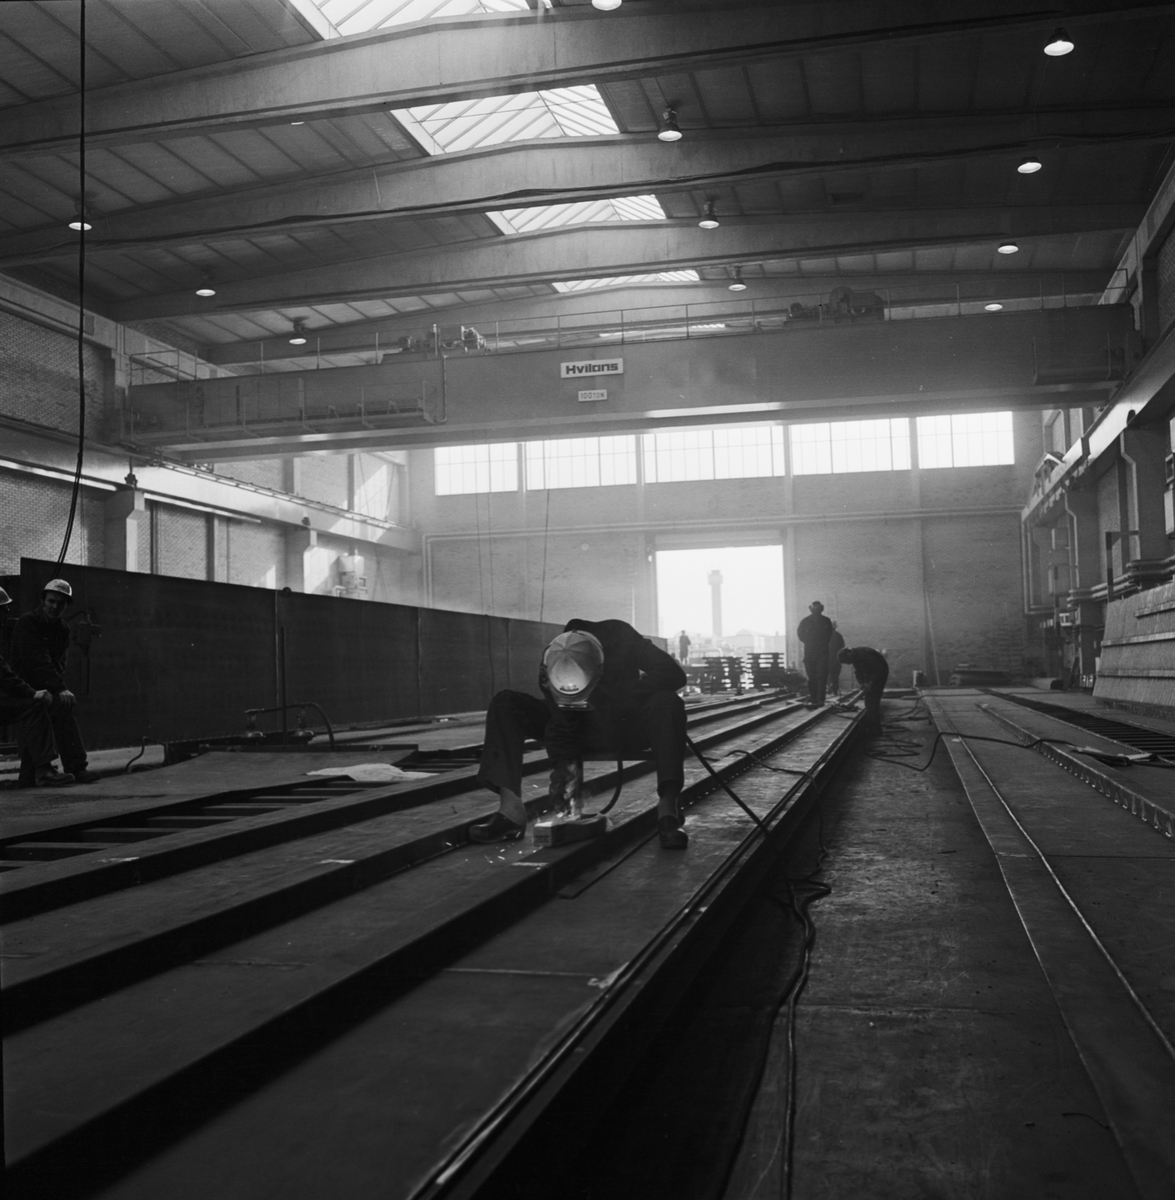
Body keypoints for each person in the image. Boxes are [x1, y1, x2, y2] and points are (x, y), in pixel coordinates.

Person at [472, 617, 689, 849]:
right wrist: (566, 797)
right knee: (506, 703)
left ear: (599, 668)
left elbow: (673, 674)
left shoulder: (621, 637)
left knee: (667, 701)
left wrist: (621, 695)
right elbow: (562, 728)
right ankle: (511, 811)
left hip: (626, 728)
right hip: (582, 729)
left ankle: (668, 810)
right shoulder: (553, 663)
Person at [10, 578, 97, 784]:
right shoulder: (28, 622)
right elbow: (36, 661)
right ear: (43, 601)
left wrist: (56, 688)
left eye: (61, 603)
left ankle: (72, 768)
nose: (55, 606)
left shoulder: (62, 628)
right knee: (49, 706)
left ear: (66, 605)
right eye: (51, 601)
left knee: (60, 706)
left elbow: (58, 663)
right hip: (20, 687)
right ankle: (53, 770)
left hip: (43, 686)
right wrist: (59, 688)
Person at [0, 587, 74, 786]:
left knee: (33, 707)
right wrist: (32, 693)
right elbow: (4, 676)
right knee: (34, 706)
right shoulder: (28, 622)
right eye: (3, 610)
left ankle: (29, 776)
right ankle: (43, 771)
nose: (6, 614)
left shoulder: (60, 628)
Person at [838, 646, 890, 735]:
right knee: (869, 702)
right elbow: (858, 672)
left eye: (847, 661)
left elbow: (879, 670)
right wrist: (862, 683)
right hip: (872, 672)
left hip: (881, 673)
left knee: (872, 701)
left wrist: (870, 682)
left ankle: (876, 731)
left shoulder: (864, 654)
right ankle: (874, 729)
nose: (849, 664)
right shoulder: (855, 657)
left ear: (848, 654)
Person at [796, 600, 833, 708]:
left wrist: (811, 643)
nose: (816, 611)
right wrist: (810, 642)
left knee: (820, 676)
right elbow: (800, 635)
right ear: (811, 609)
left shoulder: (825, 621)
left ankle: (819, 699)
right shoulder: (806, 621)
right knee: (813, 677)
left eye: (818, 609)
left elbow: (828, 636)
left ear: (821, 609)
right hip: (812, 653)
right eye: (814, 609)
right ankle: (814, 699)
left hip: (820, 653)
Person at [827, 621, 846, 695]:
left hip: (827, 659)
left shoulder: (825, 636)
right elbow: (842, 647)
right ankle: (834, 689)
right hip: (836, 659)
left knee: (828, 674)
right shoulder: (838, 636)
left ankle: (830, 687)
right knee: (835, 675)